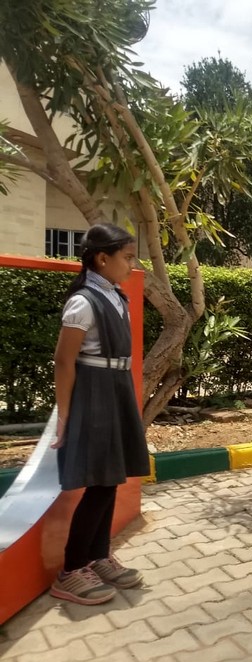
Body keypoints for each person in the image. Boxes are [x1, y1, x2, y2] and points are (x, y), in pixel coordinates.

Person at [50, 224, 149, 605]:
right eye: (126, 257)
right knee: (100, 481)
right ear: (102, 258)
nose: (131, 264)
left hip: (115, 387)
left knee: (111, 477)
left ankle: (97, 555)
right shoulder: (83, 301)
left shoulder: (114, 295)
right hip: (95, 391)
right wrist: (65, 412)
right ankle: (71, 570)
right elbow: (63, 360)